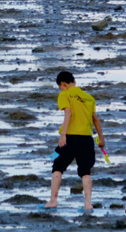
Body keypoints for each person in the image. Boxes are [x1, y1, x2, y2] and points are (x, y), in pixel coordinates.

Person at [41, 71, 104, 211]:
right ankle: (88, 204)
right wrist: (101, 138)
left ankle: (53, 201)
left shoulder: (64, 94)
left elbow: (68, 112)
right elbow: (95, 119)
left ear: (63, 84)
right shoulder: (89, 97)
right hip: (87, 139)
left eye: (60, 87)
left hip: (70, 137)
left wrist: (63, 134)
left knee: (57, 166)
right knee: (85, 171)